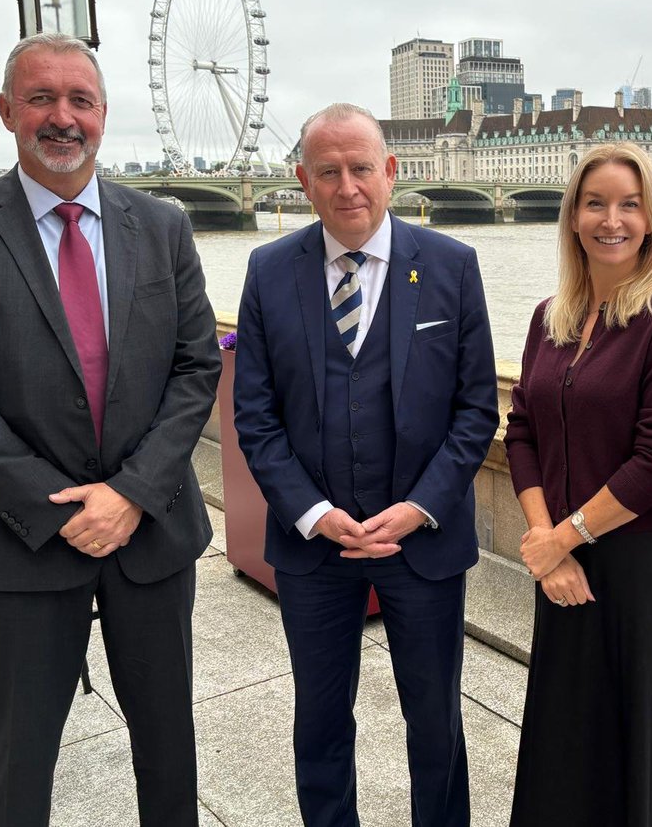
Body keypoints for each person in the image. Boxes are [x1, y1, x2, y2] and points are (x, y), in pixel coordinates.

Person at [0, 33, 221, 827]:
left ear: (104, 114)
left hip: (151, 534)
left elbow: (195, 369)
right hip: (18, 543)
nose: (62, 117)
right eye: (41, 98)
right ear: (7, 110)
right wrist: (60, 509)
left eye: (81, 100)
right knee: (19, 763)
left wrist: (131, 494)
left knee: (169, 750)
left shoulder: (163, 225)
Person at [232, 103, 499, 827]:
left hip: (423, 544)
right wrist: (314, 514)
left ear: (391, 171)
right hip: (313, 551)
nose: (346, 186)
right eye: (328, 171)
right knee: (320, 721)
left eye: (360, 168)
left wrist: (418, 509)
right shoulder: (267, 271)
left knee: (435, 722)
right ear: (302, 181)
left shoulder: (452, 266)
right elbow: (255, 416)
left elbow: (477, 410)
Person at [506, 142, 652, 827]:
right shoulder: (549, 317)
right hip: (560, 558)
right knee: (564, 734)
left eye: (629, 205)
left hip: (635, 563)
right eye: (595, 204)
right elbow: (522, 432)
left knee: (633, 737)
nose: (611, 220)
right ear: (573, 217)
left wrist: (563, 539)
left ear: (651, 220)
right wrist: (548, 544)